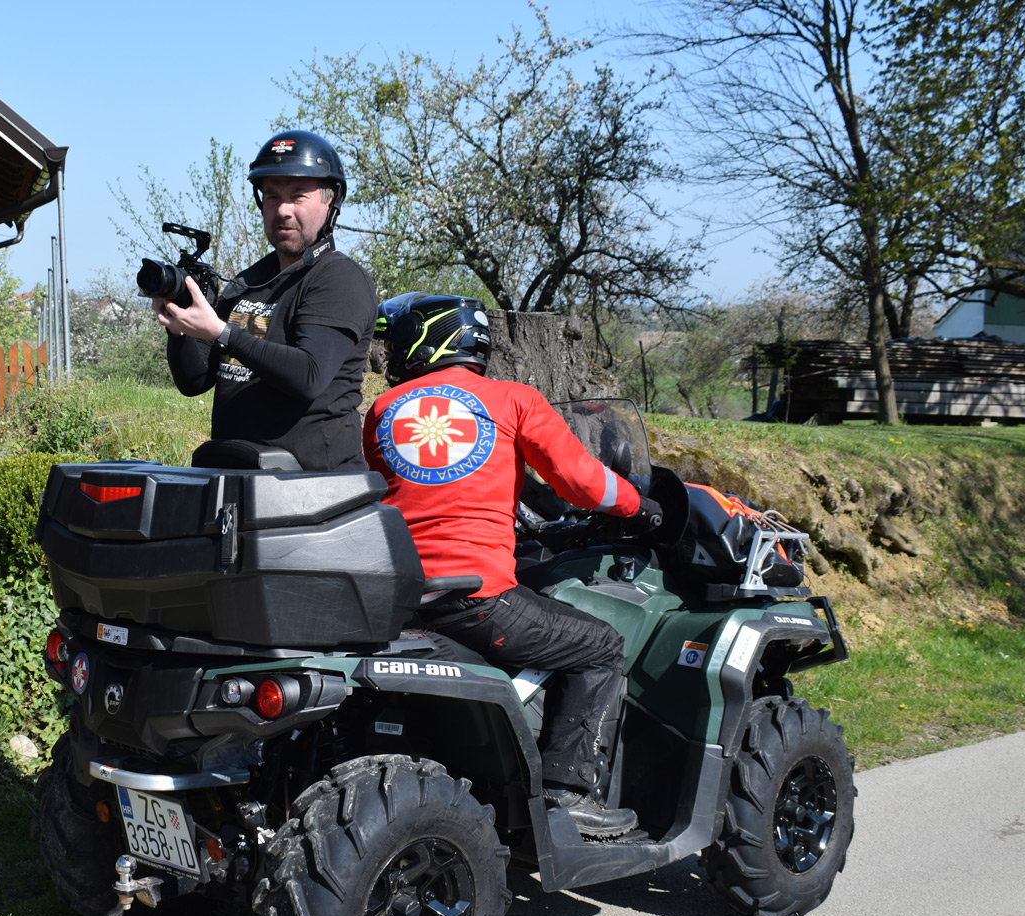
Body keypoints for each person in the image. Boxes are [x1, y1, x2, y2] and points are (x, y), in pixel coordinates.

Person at [363, 293, 662, 838]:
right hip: (478, 600)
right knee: (598, 646)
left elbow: (411, 489)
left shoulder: (384, 411)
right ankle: (569, 795)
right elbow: (581, 481)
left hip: (400, 597)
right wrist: (638, 507)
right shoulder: (513, 399)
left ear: (423, 341)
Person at [157, 129, 377, 471]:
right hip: (240, 480)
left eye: (298, 196)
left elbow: (309, 375)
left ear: (330, 200)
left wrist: (221, 333)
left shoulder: (339, 278)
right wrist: (179, 327)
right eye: (272, 196)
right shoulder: (250, 280)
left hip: (318, 490)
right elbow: (195, 381)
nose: (283, 210)